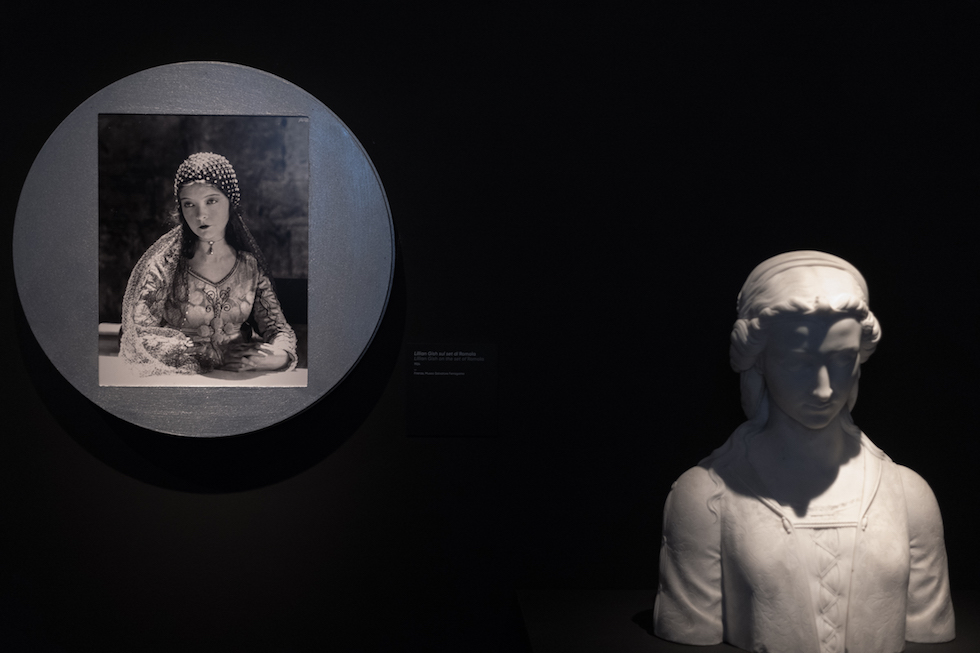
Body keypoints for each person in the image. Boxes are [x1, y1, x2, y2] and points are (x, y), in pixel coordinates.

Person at [654, 251, 954, 653]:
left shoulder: (908, 495)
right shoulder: (705, 499)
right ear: (759, 362)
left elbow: (927, 631)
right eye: (798, 361)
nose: (824, 388)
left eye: (842, 359)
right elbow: (690, 631)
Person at [119, 152, 297, 376]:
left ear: (230, 203)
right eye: (189, 204)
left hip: (238, 378)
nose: (201, 214)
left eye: (211, 201)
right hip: (178, 379)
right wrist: (208, 355)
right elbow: (137, 334)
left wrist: (279, 356)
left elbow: (277, 328)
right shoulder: (164, 265)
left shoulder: (249, 267)